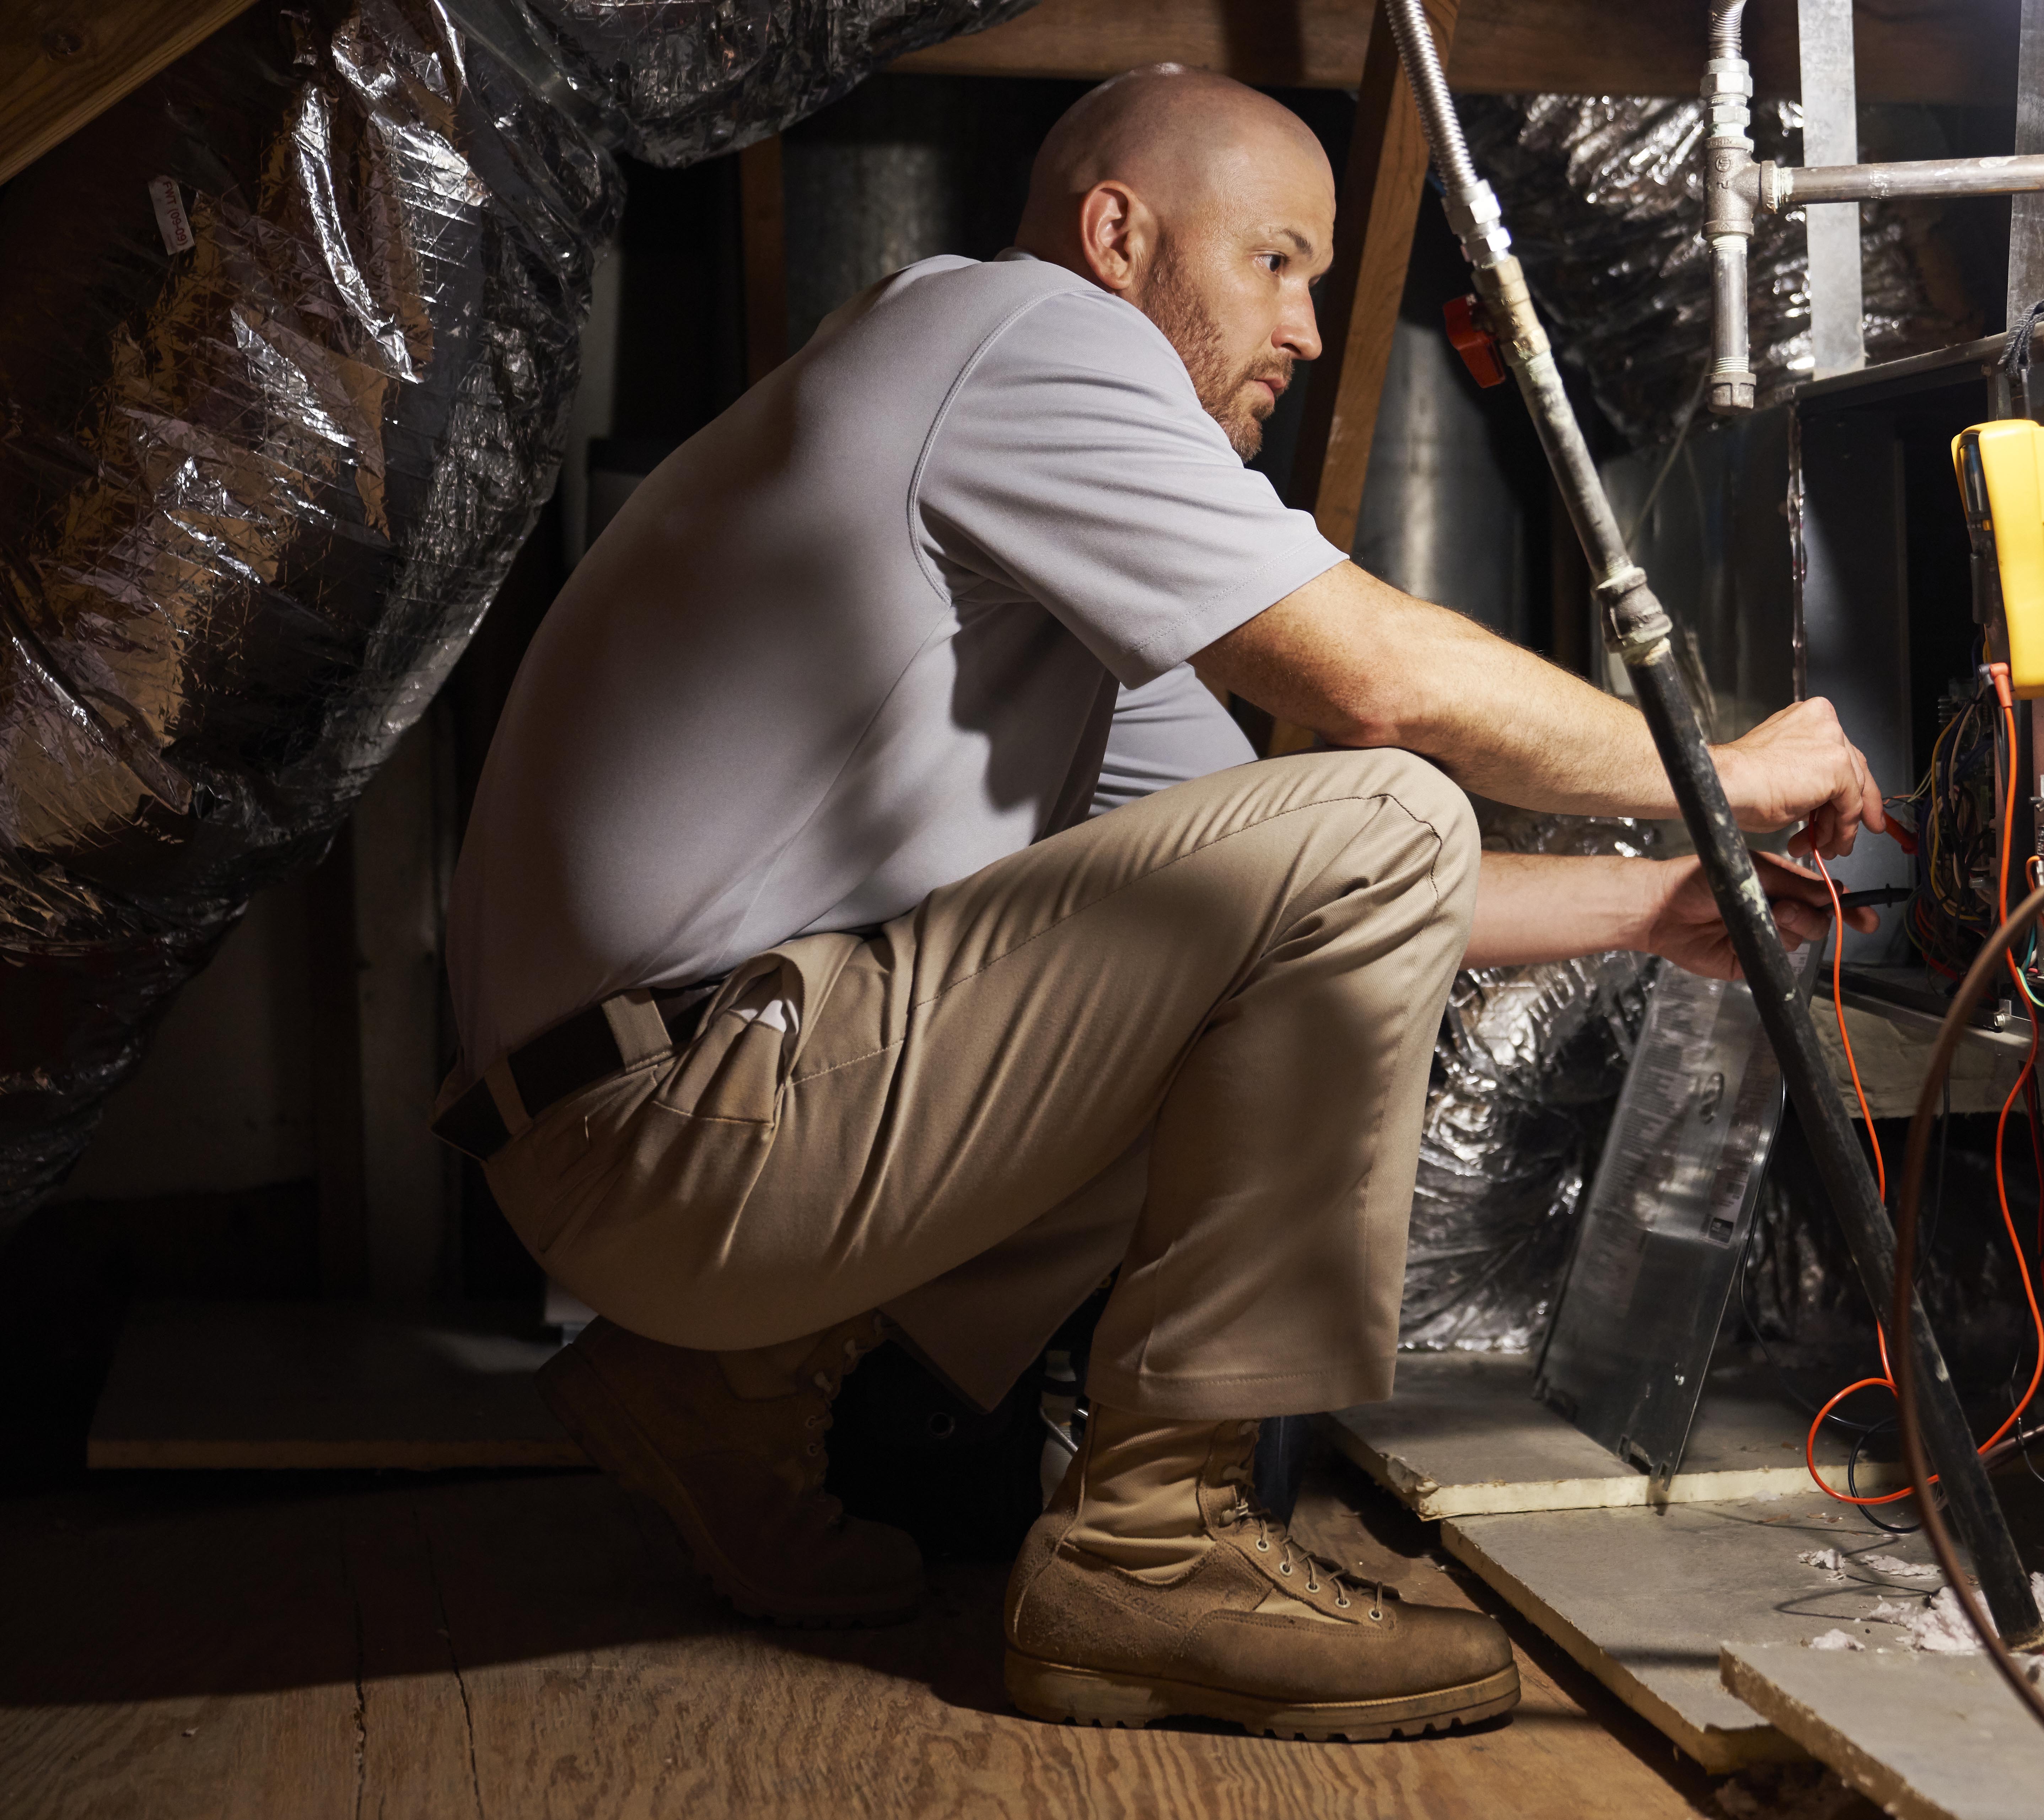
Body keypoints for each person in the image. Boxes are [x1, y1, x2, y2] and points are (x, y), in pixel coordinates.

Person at [437, 64, 1883, 1742]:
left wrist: (1651, 913)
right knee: (1385, 804)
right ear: (1118, 236)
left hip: (651, 1135)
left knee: (1310, 897)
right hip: (681, 1121)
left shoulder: (1032, 550)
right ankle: (1157, 1550)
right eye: (1277, 262)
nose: (1312, 331)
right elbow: (1379, 704)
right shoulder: (1014, 331)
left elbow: (1330, 902)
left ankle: (723, 1387)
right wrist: (1721, 767)